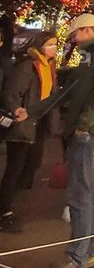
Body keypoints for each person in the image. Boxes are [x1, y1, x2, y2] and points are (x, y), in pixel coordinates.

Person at [40, 14, 94, 268]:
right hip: (87, 128)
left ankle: (78, 258)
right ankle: (87, 253)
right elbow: (84, 82)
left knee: (80, 194)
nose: (73, 39)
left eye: (76, 34)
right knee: (86, 193)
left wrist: (85, 123)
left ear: (88, 30)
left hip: (88, 131)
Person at [0, 30, 57, 231]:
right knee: (16, 168)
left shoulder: (48, 67)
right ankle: (4, 210)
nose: (54, 48)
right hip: (22, 123)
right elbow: (11, 93)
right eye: (50, 44)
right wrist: (17, 109)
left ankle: (7, 205)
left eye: (55, 44)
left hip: (37, 123)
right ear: (40, 45)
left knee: (31, 165)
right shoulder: (28, 66)